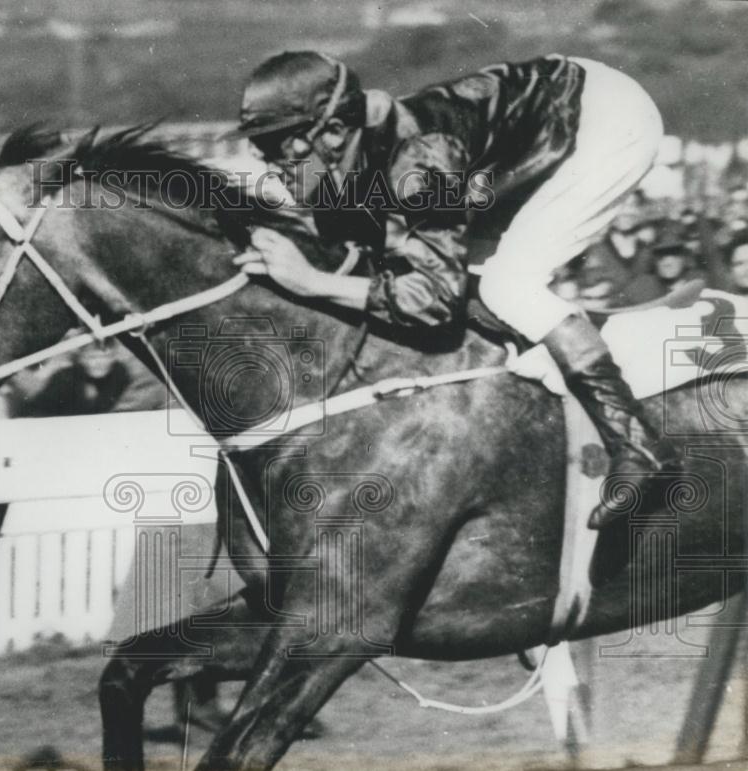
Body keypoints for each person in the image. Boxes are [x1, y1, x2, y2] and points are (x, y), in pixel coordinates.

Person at [228, 51, 680, 529]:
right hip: (552, 118)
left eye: (279, 147)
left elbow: (436, 301)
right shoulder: (356, 153)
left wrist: (312, 282)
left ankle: (639, 446)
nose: (270, 164)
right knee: (479, 278)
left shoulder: (420, 163)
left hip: (607, 122)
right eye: (262, 148)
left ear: (334, 133)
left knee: (509, 284)